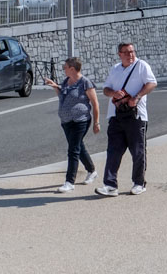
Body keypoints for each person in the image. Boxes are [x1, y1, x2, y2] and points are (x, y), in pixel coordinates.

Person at [95, 42, 157, 196]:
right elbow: (105, 89)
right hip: (116, 116)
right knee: (113, 151)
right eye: (127, 52)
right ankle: (110, 185)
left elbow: (152, 83)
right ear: (119, 54)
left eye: (132, 51)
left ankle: (139, 183)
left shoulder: (141, 65)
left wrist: (137, 97)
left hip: (136, 116)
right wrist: (113, 93)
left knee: (138, 151)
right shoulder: (115, 69)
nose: (131, 55)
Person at [44, 57, 100, 193]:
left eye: (65, 67)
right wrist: (55, 87)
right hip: (66, 121)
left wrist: (96, 122)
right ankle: (92, 171)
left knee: (73, 150)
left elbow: (95, 103)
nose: (63, 69)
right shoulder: (66, 82)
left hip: (80, 120)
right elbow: (63, 97)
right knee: (79, 147)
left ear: (72, 69)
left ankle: (69, 182)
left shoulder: (85, 82)